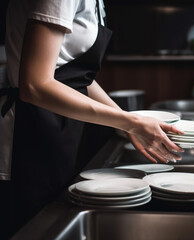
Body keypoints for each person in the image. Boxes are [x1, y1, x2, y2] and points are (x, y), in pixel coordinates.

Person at [0, 0, 184, 237]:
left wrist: (128, 122)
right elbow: (35, 85)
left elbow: (75, 76)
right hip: (27, 135)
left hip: (57, 129)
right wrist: (130, 122)